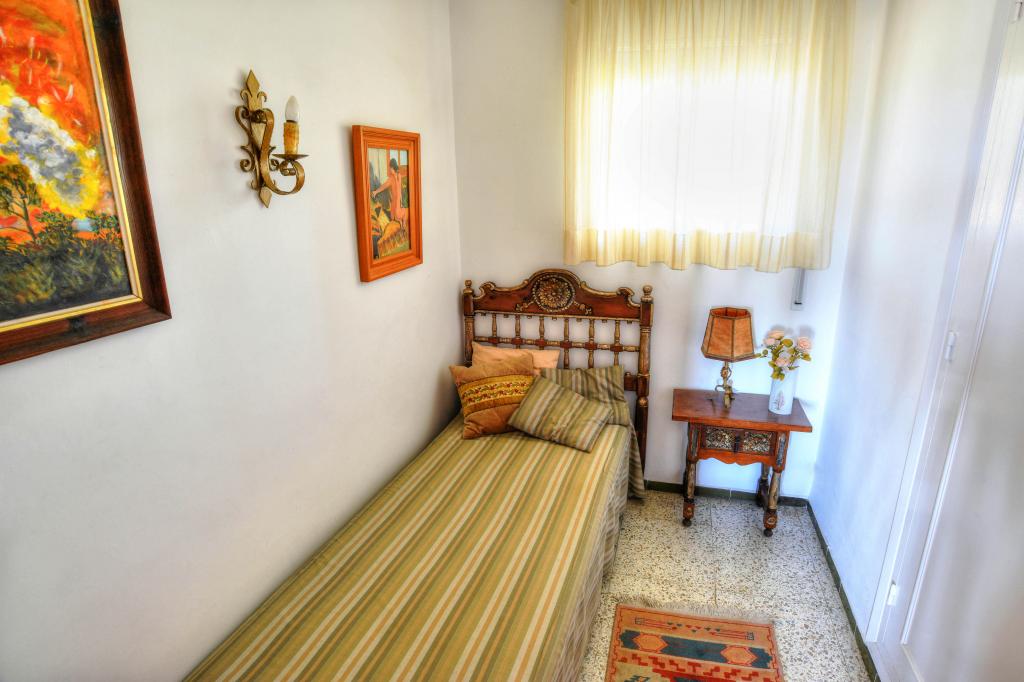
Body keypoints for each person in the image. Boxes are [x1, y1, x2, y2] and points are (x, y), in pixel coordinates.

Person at [371, 157, 408, 229]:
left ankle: (403, 216)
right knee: (392, 217)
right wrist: (376, 192)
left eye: (390, 168)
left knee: (397, 214)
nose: (389, 170)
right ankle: (400, 221)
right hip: (394, 200)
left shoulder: (399, 176)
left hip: (398, 200)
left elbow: (400, 189)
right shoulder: (391, 179)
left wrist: (401, 201)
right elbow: (384, 186)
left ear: (393, 167)